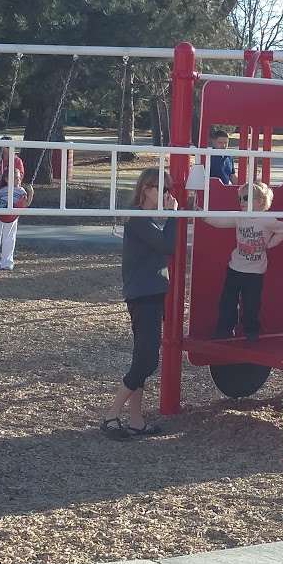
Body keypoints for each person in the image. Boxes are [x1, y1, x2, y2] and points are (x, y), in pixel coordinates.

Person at [101, 168, 178, 441]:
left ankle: (136, 419)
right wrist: (174, 216)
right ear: (145, 188)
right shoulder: (138, 218)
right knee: (147, 359)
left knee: (142, 357)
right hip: (142, 295)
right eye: (161, 188)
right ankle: (112, 412)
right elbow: (169, 246)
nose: (167, 195)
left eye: (169, 189)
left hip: (152, 293)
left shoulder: (152, 219)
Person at [203, 182, 283, 341]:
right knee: (227, 301)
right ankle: (225, 330)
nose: (241, 201)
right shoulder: (239, 217)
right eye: (240, 198)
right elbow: (220, 222)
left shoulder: (268, 220)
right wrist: (201, 215)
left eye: (246, 198)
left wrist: (270, 244)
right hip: (235, 268)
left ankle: (251, 331)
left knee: (251, 305)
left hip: (255, 272)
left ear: (260, 201)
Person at [0, 168, 33, 271]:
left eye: (19, 178)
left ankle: (7, 262)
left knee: (9, 238)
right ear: (6, 179)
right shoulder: (0, 191)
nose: (18, 180)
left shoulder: (21, 191)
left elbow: (25, 204)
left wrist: (30, 193)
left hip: (12, 214)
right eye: (14, 178)